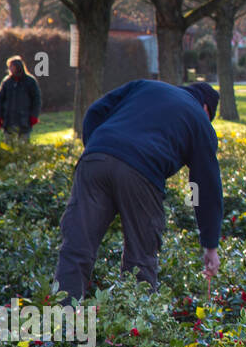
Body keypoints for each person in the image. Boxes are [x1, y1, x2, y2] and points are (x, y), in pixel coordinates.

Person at [53, 81, 222, 301]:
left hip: (95, 159)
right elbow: (205, 186)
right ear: (206, 108)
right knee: (140, 257)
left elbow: (96, 110)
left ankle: (62, 314)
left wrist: (97, 149)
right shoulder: (199, 120)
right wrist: (210, 245)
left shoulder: (145, 86)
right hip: (142, 171)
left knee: (77, 246)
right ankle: (132, 318)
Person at [0, 55, 42, 144]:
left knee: (23, 145)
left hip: (24, 121)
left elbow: (36, 100)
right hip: (8, 121)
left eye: (11, 66)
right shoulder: (6, 82)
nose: (10, 69)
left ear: (18, 67)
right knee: (8, 146)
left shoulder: (30, 81)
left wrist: (34, 115)